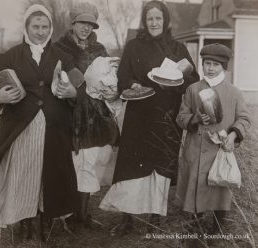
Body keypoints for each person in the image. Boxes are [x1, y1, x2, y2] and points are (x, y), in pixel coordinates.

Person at [0, 4, 83, 240]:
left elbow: (79, 88)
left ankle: (45, 223)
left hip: (53, 129)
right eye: (35, 26)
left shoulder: (64, 57)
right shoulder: (9, 56)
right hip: (20, 127)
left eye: (45, 26)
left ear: (51, 28)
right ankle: (23, 224)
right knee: (22, 175)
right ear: (26, 27)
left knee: (48, 176)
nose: (40, 31)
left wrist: (73, 94)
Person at [99, 0, 199, 236]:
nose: (154, 23)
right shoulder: (134, 46)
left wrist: (177, 80)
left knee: (160, 169)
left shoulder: (178, 49)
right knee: (131, 167)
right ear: (144, 22)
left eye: (158, 19)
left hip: (167, 119)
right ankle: (127, 218)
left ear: (165, 22)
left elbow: (193, 80)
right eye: (150, 19)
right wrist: (132, 84)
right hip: (139, 117)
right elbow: (123, 78)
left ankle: (156, 217)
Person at [55, 2, 119, 229]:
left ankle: (81, 214)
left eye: (90, 24)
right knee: (72, 164)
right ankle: (68, 214)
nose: (86, 28)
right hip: (70, 114)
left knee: (91, 163)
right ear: (72, 23)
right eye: (82, 22)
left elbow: (110, 78)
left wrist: (110, 86)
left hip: (97, 116)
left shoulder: (100, 50)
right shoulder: (59, 48)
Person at [175, 43, 251, 235]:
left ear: (223, 67)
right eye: (207, 63)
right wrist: (195, 118)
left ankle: (217, 228)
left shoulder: (234, 92)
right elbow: (181, 117)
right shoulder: (192, 89)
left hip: (220, 150)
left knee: (220, 189)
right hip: (196, 148)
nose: (210, 68)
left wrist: (233, 135)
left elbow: (244, 118)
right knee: (196, 185)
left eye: (215, 65)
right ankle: (195, 224)